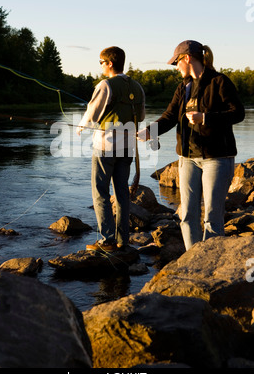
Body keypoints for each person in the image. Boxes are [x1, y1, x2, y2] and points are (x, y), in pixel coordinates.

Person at [138, 40, 245, 251]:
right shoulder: (183, 87)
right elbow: (169, 117)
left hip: (217, 158)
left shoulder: (220, 82)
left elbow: (238, 113)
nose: (176, 67)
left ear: (187, 58)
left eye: (176, 62)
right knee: (187, 215)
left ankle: (209, 264)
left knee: (212, 217)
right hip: (187, 158)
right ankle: (192, 260)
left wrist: (205, 118)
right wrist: (150, 131)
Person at [77, 46, 145, 252]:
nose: (100, 66)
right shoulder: (137, 87)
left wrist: (81, 127)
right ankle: (123, 241)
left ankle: (107, 240)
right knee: (122, 193)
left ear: (110, 63)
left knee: (100, 193)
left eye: (101, 62)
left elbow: (92, 115)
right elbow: (140, 117)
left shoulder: (105, 85)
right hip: (128, 148)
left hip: (105, 147)